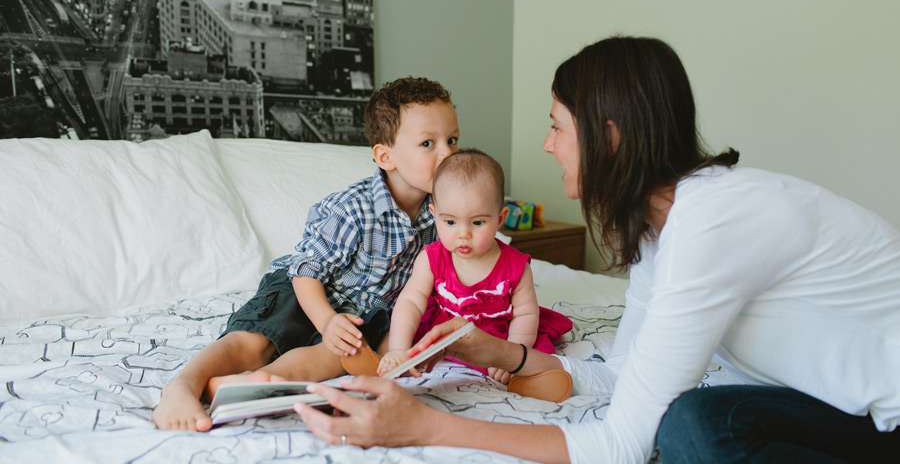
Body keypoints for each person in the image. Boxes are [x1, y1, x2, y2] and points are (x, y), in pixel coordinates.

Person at [292, 36, 900, 464]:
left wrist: (427, 425)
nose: (547, 144)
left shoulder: (715, 221)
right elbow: (616, 375)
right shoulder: (663, 231)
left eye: (558, 125)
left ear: (608, 137)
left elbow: (619, 447)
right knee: (702, 416)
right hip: (844, 409)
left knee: (691, 428)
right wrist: (493, 349)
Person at [152, 76, 460, 432]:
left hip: (362, 315)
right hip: (305, 289)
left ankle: (253, 383)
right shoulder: (354, 209)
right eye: (428, 143)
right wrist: (326, 320)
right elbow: (306, 271)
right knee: (255, 339)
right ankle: (183, 385)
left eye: (452, 139)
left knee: (332, 357)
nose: (448, 154)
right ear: (385, 156)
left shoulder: (442, 214)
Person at [376, 149, 572, 398]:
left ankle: (529, 382)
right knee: (396, 337)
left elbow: (525, 313)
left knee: (537, 353)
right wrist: (399, 349)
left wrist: (511, 355)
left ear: (500, 219)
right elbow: (411, 302)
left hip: (498, 338)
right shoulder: (431, 258)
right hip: (444, 332)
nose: (463, 234)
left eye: (478, 223)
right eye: (450, 222)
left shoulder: (516, 266)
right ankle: (390, 360)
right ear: (435, 215)